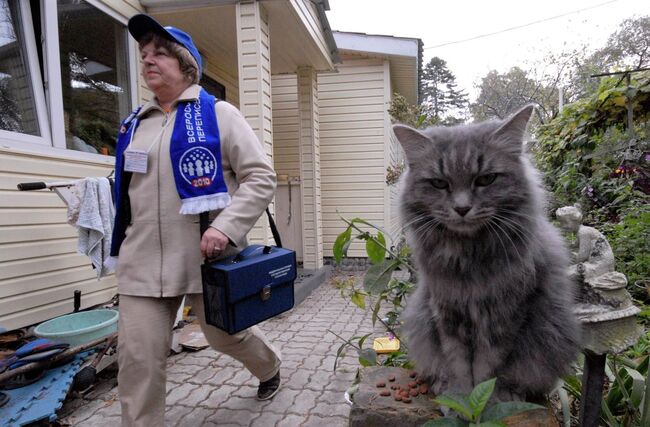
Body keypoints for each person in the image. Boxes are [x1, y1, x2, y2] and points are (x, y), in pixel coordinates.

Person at [108, 14, 282, 426]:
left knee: (225, 336)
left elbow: (260, 178)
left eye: (160, 53)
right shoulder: (134, 125)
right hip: (143, 261)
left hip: (206, 257)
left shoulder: (219, 114)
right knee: (138, 359)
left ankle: (270, 366)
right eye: (144, 54)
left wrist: (226, 226)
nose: (148, 60)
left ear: (186, 64)